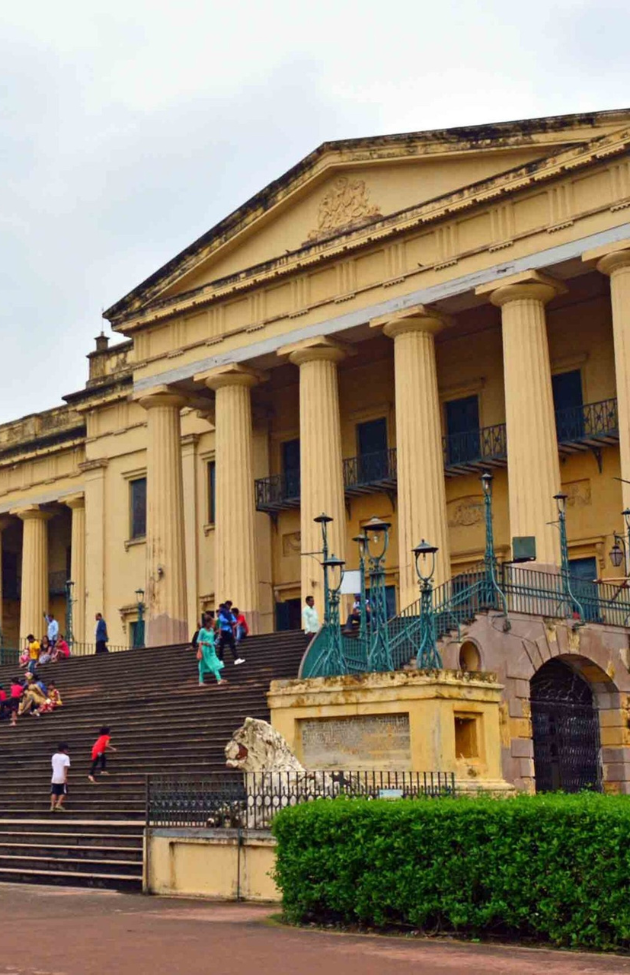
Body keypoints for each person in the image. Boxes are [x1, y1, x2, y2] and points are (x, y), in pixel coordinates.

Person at [197, 614, 226, 687]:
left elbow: (212, 640)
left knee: (206, 664)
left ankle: (201, 682)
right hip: (205, 649)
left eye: (211, 623)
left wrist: (216, 640)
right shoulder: (202, 631)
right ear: (206, 623)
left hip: (211, 648)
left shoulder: (212, 630)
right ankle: (219, 679)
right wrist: (204, 643)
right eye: (210, 623)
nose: (211, 624)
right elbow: (198, 641)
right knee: (211, 663)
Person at [50, 743, 70, 812]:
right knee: (63, 791)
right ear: (64, 750)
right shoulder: (66, 757)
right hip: (61, 776)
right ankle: (58, 804)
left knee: (54, 792)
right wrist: (65, 777)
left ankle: (52, 806)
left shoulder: (54, 756)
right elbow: (65, 768)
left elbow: (53, 766)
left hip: (54, 776)